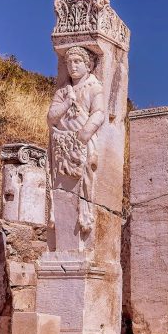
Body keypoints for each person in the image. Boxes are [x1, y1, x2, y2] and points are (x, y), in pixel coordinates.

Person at [47, 46, 105, 238]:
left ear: (88, 65)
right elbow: (51, 118)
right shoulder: (63, 91)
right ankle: (60, 223)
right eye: (69, 62)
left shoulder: (94, 87)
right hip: (61, 144)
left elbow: (99, 114)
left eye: (77, 62)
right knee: (60, 184)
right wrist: (67, 102)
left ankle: (85, 216)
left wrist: (82, 136)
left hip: (82, 142)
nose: (72, 66)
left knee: (85, 183)